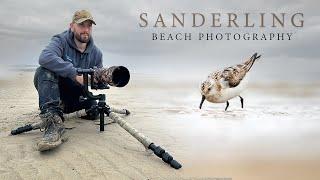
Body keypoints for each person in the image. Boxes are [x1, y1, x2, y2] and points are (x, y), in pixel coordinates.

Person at [33, 10, 103, 151]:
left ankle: (64, 109)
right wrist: (74, 74)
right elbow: (45, 57)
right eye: (81, 25)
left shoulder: (96, 53)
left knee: (94, 112)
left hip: (77, 94)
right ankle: (53, 123)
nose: (86, 30)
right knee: (43, 70)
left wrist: (98, 80)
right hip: (56, 91)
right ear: (72, 26)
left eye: (89, 26)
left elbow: (97, 81)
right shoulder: (60, 40)